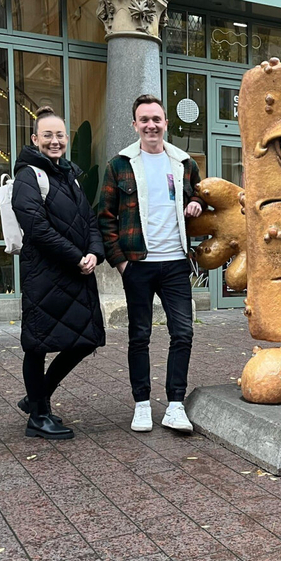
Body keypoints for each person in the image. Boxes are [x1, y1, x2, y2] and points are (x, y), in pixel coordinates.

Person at [97, 94, 205, 433]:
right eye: (144, 120)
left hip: (175, 263)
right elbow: (105, 217)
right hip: (138, 264)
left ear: (165, 123)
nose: (151, 125)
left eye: (156, 119)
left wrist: (198, 203)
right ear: (135, 125)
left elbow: (202, 191)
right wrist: (121, 264)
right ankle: (141, 404)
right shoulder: (120, 164)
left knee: (183, 332)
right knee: (139, 335)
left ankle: (175, 404)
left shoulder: (184, 162)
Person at [12, 106, 106, 440]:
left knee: (85, 340)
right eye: (48, 135)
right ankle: (38, 416)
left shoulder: (70, 175)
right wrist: (77, 257)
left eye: (60, 135)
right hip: (45, 275)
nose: (55, 141)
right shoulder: (28, 176)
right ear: (35, 139)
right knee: (37, 346)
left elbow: (89, 220)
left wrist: (95, 252)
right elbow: (36, 228)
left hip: (76, 273)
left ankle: (37, 396)